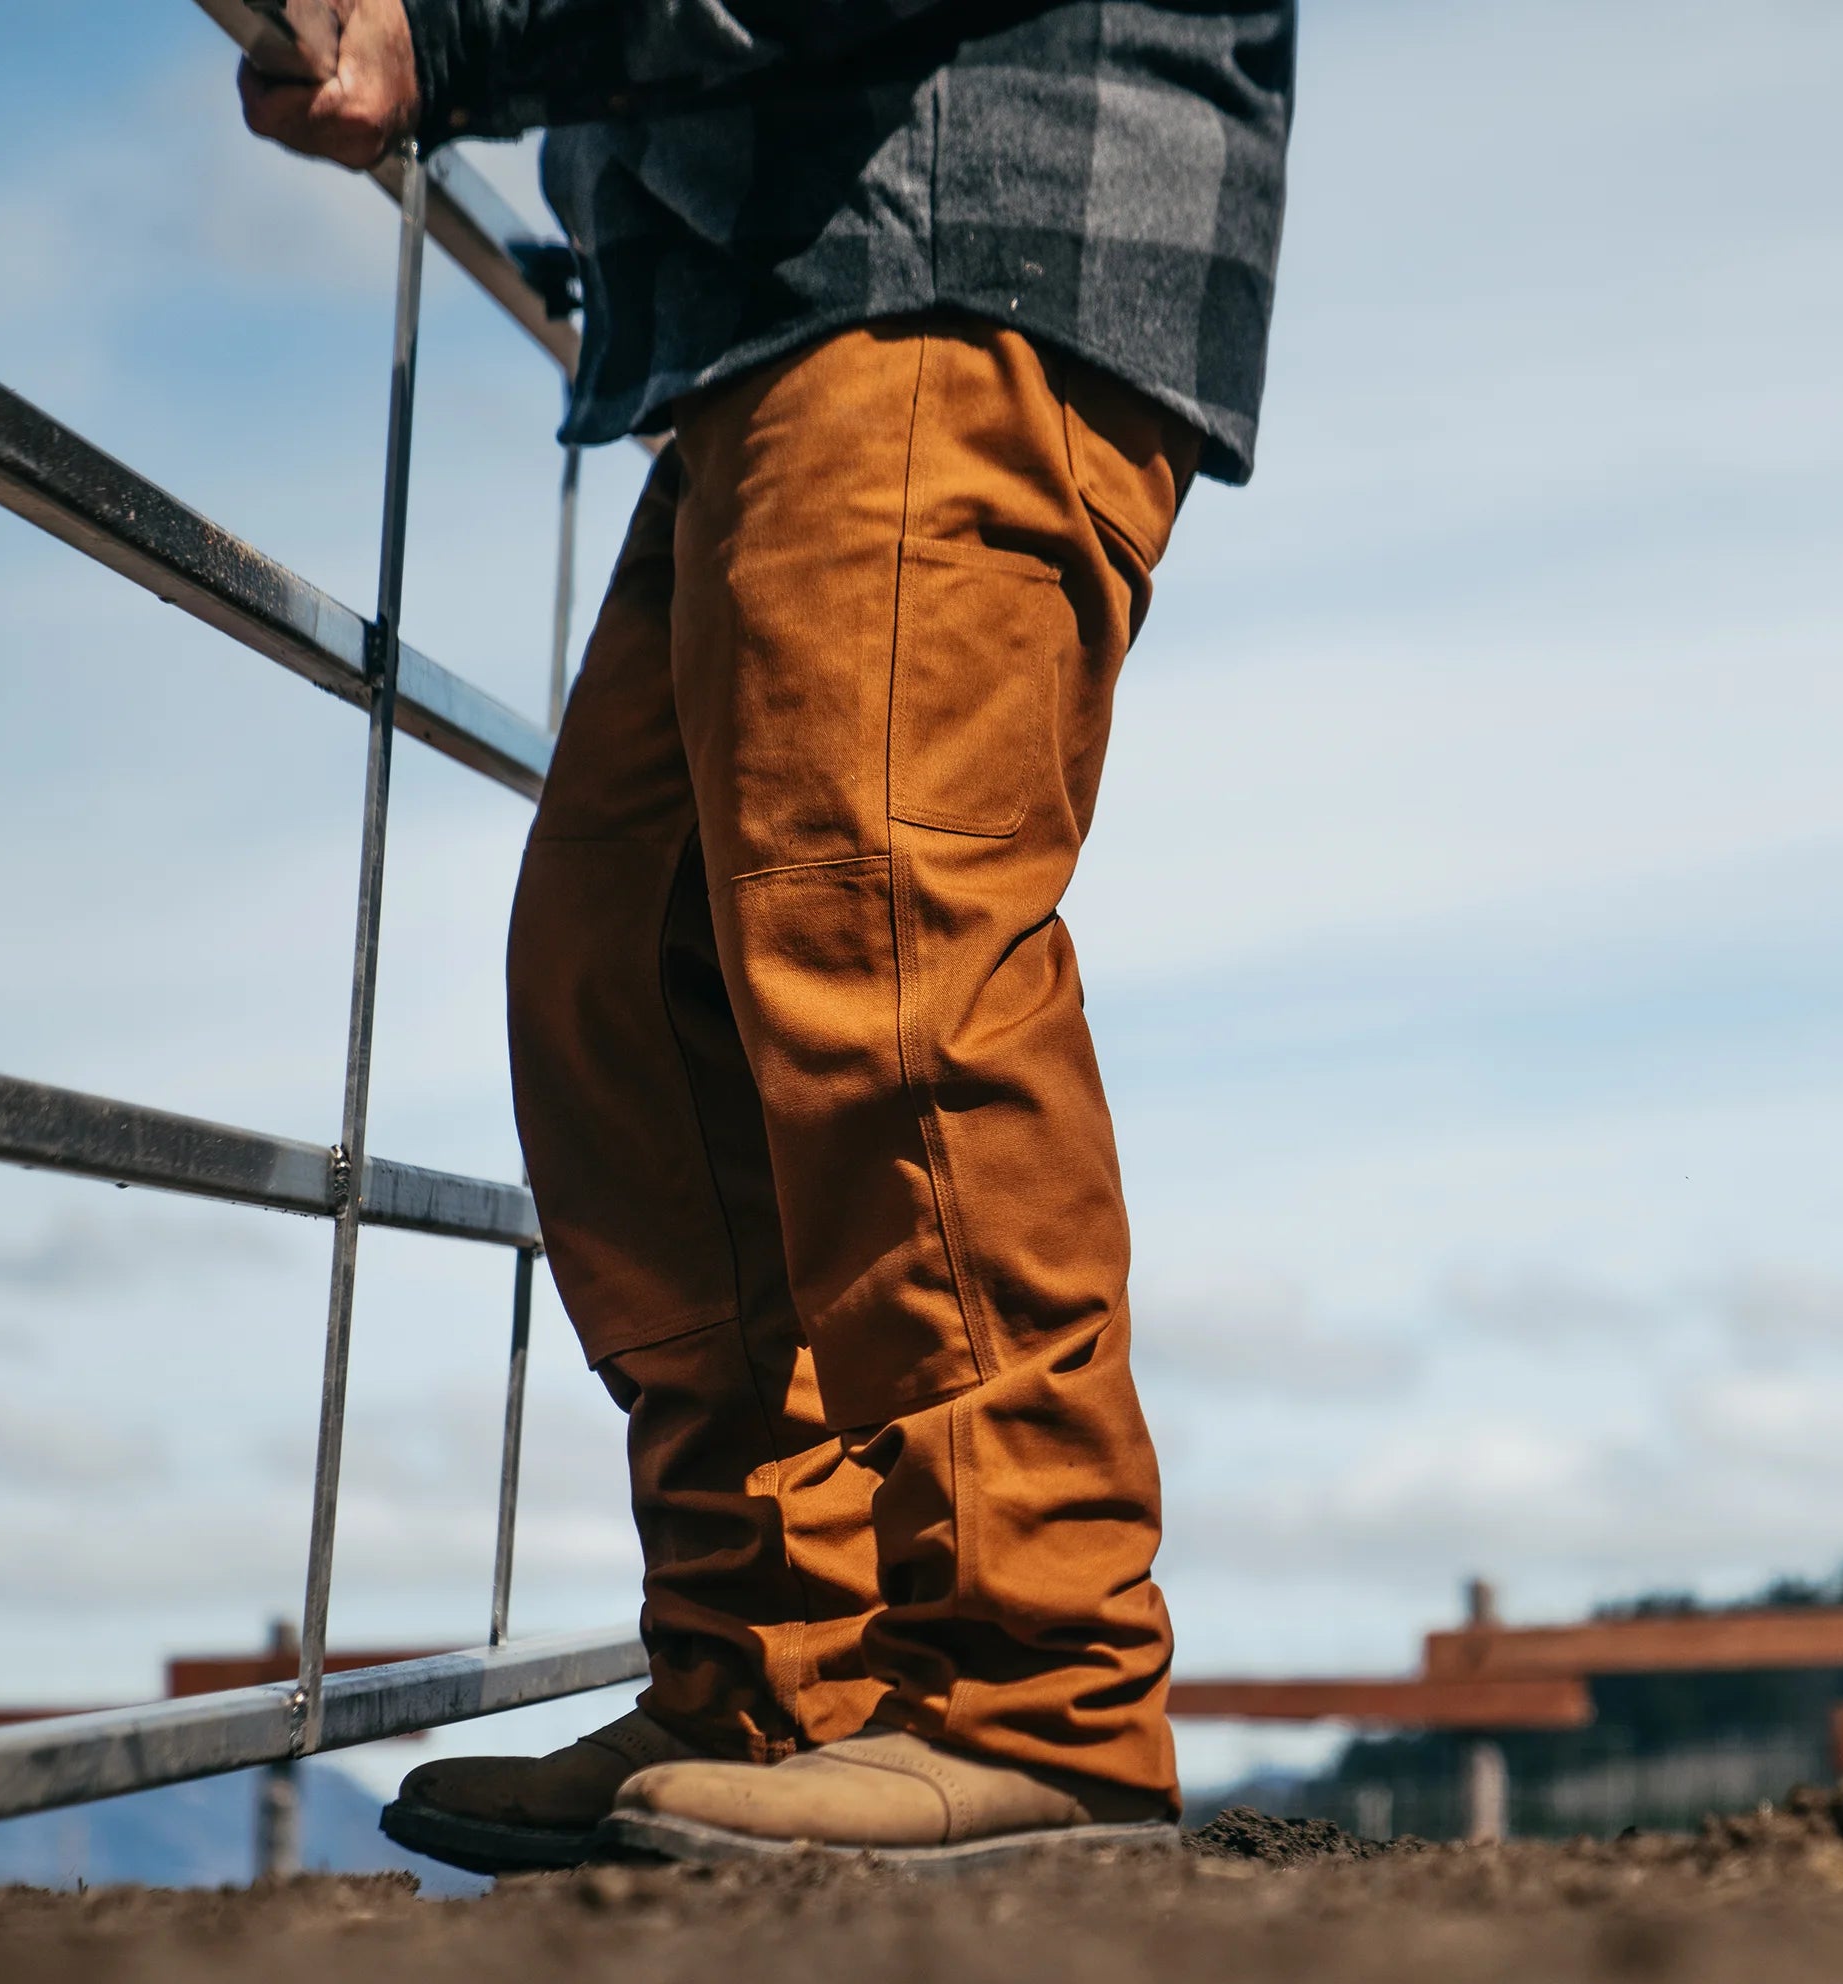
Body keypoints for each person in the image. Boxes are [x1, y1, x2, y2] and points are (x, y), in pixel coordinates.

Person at [240, 0, 1293, 1869]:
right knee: (623, 976)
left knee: (877, 932)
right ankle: (769, 1671)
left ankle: (1037, 1688)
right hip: (785, 292)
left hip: (965, 236)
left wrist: (464, 35)